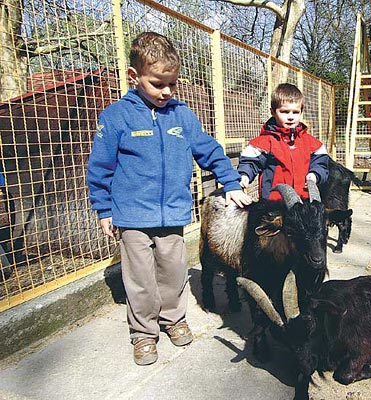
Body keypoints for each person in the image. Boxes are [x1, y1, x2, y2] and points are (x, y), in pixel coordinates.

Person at [86, 31, 252, 366]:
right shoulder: (117, 116)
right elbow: (100, 166)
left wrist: (231, 182)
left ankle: (174, 320)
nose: (166, 92)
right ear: (134, 77)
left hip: (173, 213)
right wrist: (103, 208)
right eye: (158, 83)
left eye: (172, 84)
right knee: (140, 279)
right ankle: (144, 334)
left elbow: (210, 151)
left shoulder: (181, 116)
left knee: (174, 273)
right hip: (132, 216)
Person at [237, 83, 329, 201]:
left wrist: (315, 175)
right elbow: (250, 163)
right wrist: (244, 176)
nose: (290, 117)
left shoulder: (312, 144)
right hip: (274, 203)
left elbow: (321, 165)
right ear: (273, 112)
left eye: (295, 112)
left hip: (304, 203)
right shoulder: (263, 143)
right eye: (285, 112)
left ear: (301, 112)